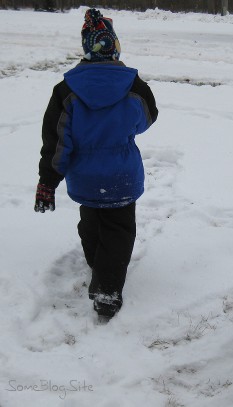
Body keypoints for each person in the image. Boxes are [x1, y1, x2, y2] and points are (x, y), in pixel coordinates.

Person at [34, 9, 158, 320]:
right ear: (115, 48)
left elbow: (56, 142)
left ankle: (98, 266)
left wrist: (48, 181)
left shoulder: (66, 90)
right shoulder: (133, 85)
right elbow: (147, 118)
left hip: (85, 177)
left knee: (90, 223)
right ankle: (107, 289)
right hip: (122, 175)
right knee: (118, 230)